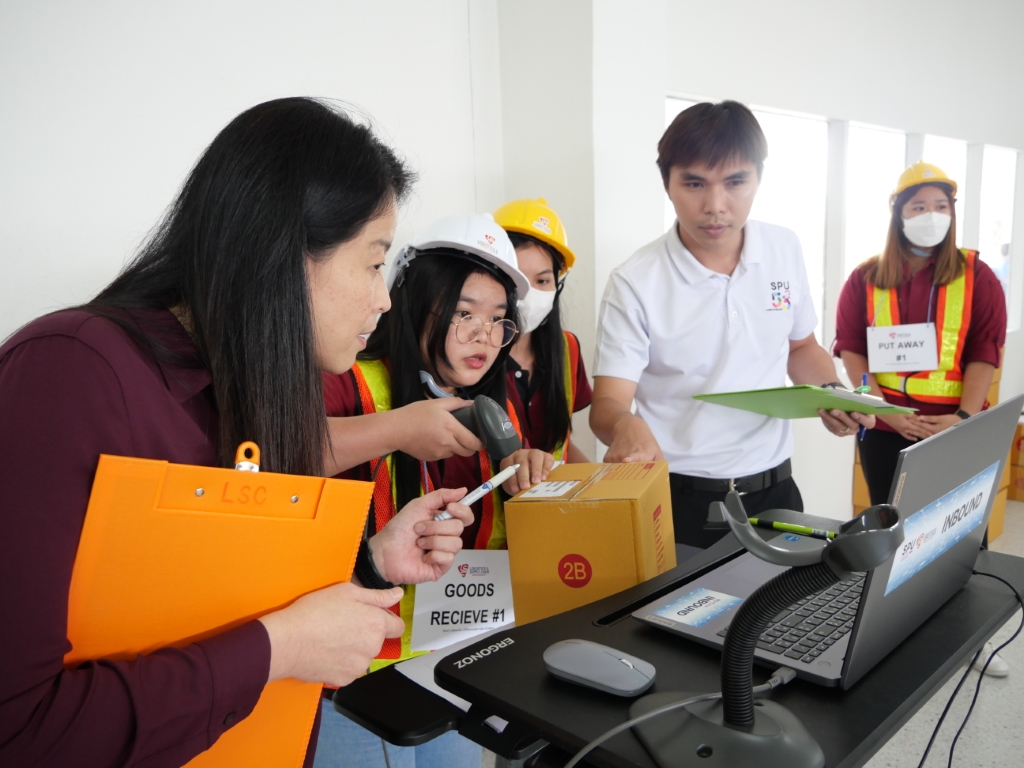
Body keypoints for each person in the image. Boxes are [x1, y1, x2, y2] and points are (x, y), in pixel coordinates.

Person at [0, 97, 476, 768]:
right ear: (285, 252)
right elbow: (19, 729)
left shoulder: (259, 390)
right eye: (374, 264)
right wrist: (280, 648)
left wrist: (370, 563)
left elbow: (204, 611)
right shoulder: (73, 372)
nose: (384, 299)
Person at [316, 213, 555, 767]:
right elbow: (280, 449)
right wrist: (399, 428)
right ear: (414, 303)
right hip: (357, 677)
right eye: (464, 313)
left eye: (498, 320)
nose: (483, 335)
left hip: (460, 662)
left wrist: (530, 476)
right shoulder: (348, 379)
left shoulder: (498, 403)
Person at [590, 100, 873, 550]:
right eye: (694, 183)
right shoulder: (636, 281)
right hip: (680, 498)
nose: (715, 206)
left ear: (758, 178)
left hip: (777, 490)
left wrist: (831, 393)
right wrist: (624, 426)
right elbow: (607, 402)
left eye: (736, 182)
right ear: (667, 184)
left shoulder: (783, 248)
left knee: (789, 597)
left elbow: (800, 346)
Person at [834, 160, 1008, 677]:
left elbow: (985, 351)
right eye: (918, 207)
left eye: (940, 206)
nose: (930, 215)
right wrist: (881, 409)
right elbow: (852, 348)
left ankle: (970, 638)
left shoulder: (978, 276)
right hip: (888, 430)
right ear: (898, 214)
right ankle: (891, 631)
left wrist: (962, 416)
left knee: (962, 531)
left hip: (956, 428)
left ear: (952, 212)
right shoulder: (865, 278)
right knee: (893, 534)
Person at [494, 198, 593, 462]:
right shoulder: (470, 355)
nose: (528, 294)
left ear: (557, 285)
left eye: (542, 280)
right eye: (516, 278)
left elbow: (562, 447)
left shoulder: (567, 348)